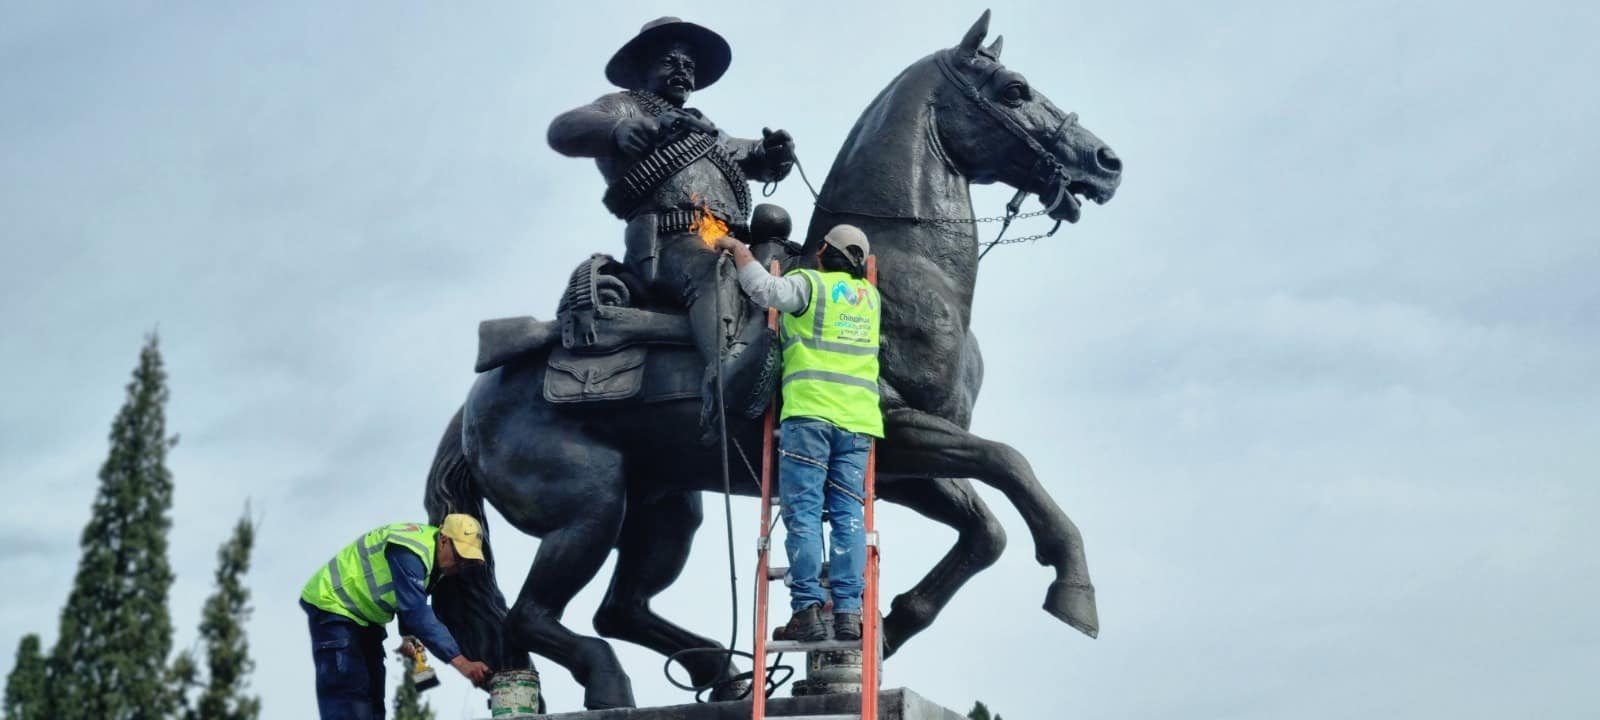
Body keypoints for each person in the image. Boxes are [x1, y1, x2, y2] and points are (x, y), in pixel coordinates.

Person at [547, 16, 797, 440]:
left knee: (790, 267)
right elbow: (564, 129)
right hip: (668, 247)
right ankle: (726, 383)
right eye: (670, 61)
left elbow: (748, 153)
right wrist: (617, 130)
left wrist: (772, 152)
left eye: (689, 64)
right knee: (712, 273)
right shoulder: (625, 106)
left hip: (729, 243)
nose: (683, 69)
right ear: (644, 67)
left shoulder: (706, 131)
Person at [714, 224, 881, 641]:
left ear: (824, 251)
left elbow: (766, 292)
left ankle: (806, 610)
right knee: (848, 517)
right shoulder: (870, 299)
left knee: (803, 513)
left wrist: (738, 250)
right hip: (858, 423)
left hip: (810, 417)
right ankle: (848, 613)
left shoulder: (809, 284)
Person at [300, 514, 494, 719]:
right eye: (460, 555)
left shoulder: (434, 562)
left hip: (366, 619)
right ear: (444, 540)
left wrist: (409, 636)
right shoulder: (411, 551)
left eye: (467, 560)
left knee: (373, 706)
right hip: (334, 605)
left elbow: (408, 602)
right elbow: (416, 613)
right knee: (349, 701)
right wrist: (462, 663)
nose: (461, 564)